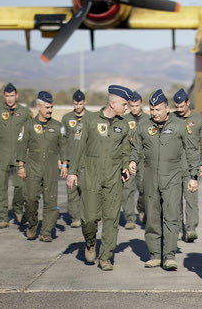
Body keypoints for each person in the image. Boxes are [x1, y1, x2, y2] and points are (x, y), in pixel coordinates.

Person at [128, 90, 199, 271]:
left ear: (167, 108)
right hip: (150, 177)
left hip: (173, 176)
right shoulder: (143, 126)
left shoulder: (179, 125)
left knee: (171, 217)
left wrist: (193, 176)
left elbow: (191, 150)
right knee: (152, 217)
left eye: (158, 109)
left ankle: (169, 256)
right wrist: (132, 161)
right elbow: (135, 148)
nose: (154, 113)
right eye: (151, 109)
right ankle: (155, 255)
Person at [66, 85, 133, 271]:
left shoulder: (124, 124)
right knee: (88, 219)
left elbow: (126, 150)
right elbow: (77, 146)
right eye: (124, 104)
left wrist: (126, 165)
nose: (126, 108)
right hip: (91, 177)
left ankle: (106, 258)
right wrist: (72, 171)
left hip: (113, 179)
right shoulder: (88, 120)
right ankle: (89, 243)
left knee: (111, 219)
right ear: (112, 103)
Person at [16, 91, 67, 241]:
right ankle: (32, 223)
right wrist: (21, 166)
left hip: (51, 168)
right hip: (33, 167)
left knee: (51, 201)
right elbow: (21, 146)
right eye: (46, 107)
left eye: (51, 107)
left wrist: (64, 164)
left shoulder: (58, 126)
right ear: (38, 106)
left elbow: (63, 146)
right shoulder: (28, 126)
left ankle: (46, 232)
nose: (50, 110)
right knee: (30, 198)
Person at [0, 83, 32, 228]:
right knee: (0, 187)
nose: (10, 99)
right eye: (7, 96)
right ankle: (2, 217)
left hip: (20, 155)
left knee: (20, 186)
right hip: (2, 154)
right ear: (4, 96)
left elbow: (31, 133)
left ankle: (18, 209)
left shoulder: (25, 112)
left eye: (12, 96)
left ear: (16, 95)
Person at [173, 88, 202, 242]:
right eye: (177, 107)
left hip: (191, 165)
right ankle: (177, 229)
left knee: (191, 198)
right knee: (174, 201)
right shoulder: (171, 118)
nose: (179, 110)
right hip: (174, 165)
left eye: (182, 106)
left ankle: (191, 228)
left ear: (188, 103)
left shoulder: (199, 119)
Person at [60, 89, 89, 228]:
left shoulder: (91, 117)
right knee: (71, 191)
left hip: (87, 160)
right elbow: (63, 141)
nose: (78, 107)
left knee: (86, 190)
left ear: (85, 102)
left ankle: (87, 215)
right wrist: (64, 163)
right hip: (71, 160)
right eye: (76, 104)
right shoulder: (66, 118)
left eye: (81, 104)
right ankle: (75, 217)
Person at [122, 90, 149, 229]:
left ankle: (142, 209)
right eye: (131, 106)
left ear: (141, 104)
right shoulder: (124, 120)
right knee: (127, 189)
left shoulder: (148, 119)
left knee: (144, 189)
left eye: (136, 105)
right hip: (128, 159)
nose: (134, 108)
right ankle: (129, 218)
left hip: (143, 160)